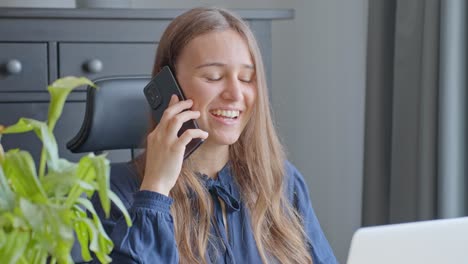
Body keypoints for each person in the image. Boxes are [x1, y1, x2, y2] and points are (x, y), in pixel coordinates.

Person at [91, 7, 338, 264]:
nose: (235, 93)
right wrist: (156, 189)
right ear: (169, 85)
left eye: (246, 78)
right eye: (214, 77)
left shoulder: (283, 181)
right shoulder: (116, 190)